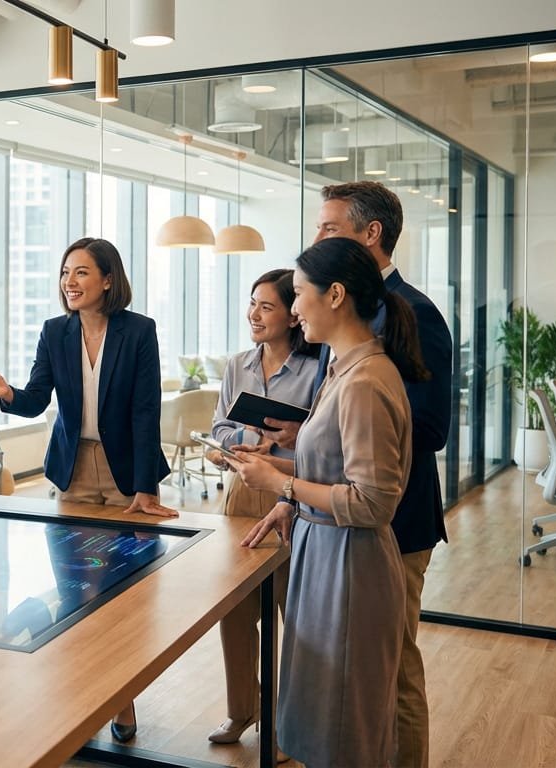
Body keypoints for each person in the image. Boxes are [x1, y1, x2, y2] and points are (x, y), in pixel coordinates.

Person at [264, 181, 452, 768]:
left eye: (328, 227)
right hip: (333, 520)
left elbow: (423, 428)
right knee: (345, 689)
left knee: (389, 679)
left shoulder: (409, 317)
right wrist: (310, 444)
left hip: (387, 526)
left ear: (370, 235)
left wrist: (300, 477)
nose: (317, 235)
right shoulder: (343, 329)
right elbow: (346, 417)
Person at [231, 236, 429, 767]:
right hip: (324, 554)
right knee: (323, 717)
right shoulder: (344, 369)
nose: (294, 309)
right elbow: (335, 468)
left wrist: (282, 486)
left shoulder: (364, 380)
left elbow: (373, 502)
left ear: (335, 295)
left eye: (298, 294)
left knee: (343, 726)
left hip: (350, 566)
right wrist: (278, 476)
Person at [0, 236, 173, 743]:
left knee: (123, 595)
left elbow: (146, 409)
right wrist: (7, 393)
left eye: (81, 272)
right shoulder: (54, 331)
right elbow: (37, 399)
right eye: (65, 273)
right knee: (75, 590)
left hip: (125, 474)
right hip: (73, 470)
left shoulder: (139, 330)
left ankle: (122, 701)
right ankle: (82, 700)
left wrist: (145, 486)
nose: (69, 282)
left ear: (108, 279)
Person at [203, 269, 318, 749]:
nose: (254, 313)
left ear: (292, 316)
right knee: (234, 612)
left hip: (291, 496)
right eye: (252, 303)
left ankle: (287, 727)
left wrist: (279, 443)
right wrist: (248, 437)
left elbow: (320, 441)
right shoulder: (238, 365)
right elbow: (219, 427)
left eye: (266, 306)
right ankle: (241, 711)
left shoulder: (315, 369)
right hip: (240, 495)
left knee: (294, 618)